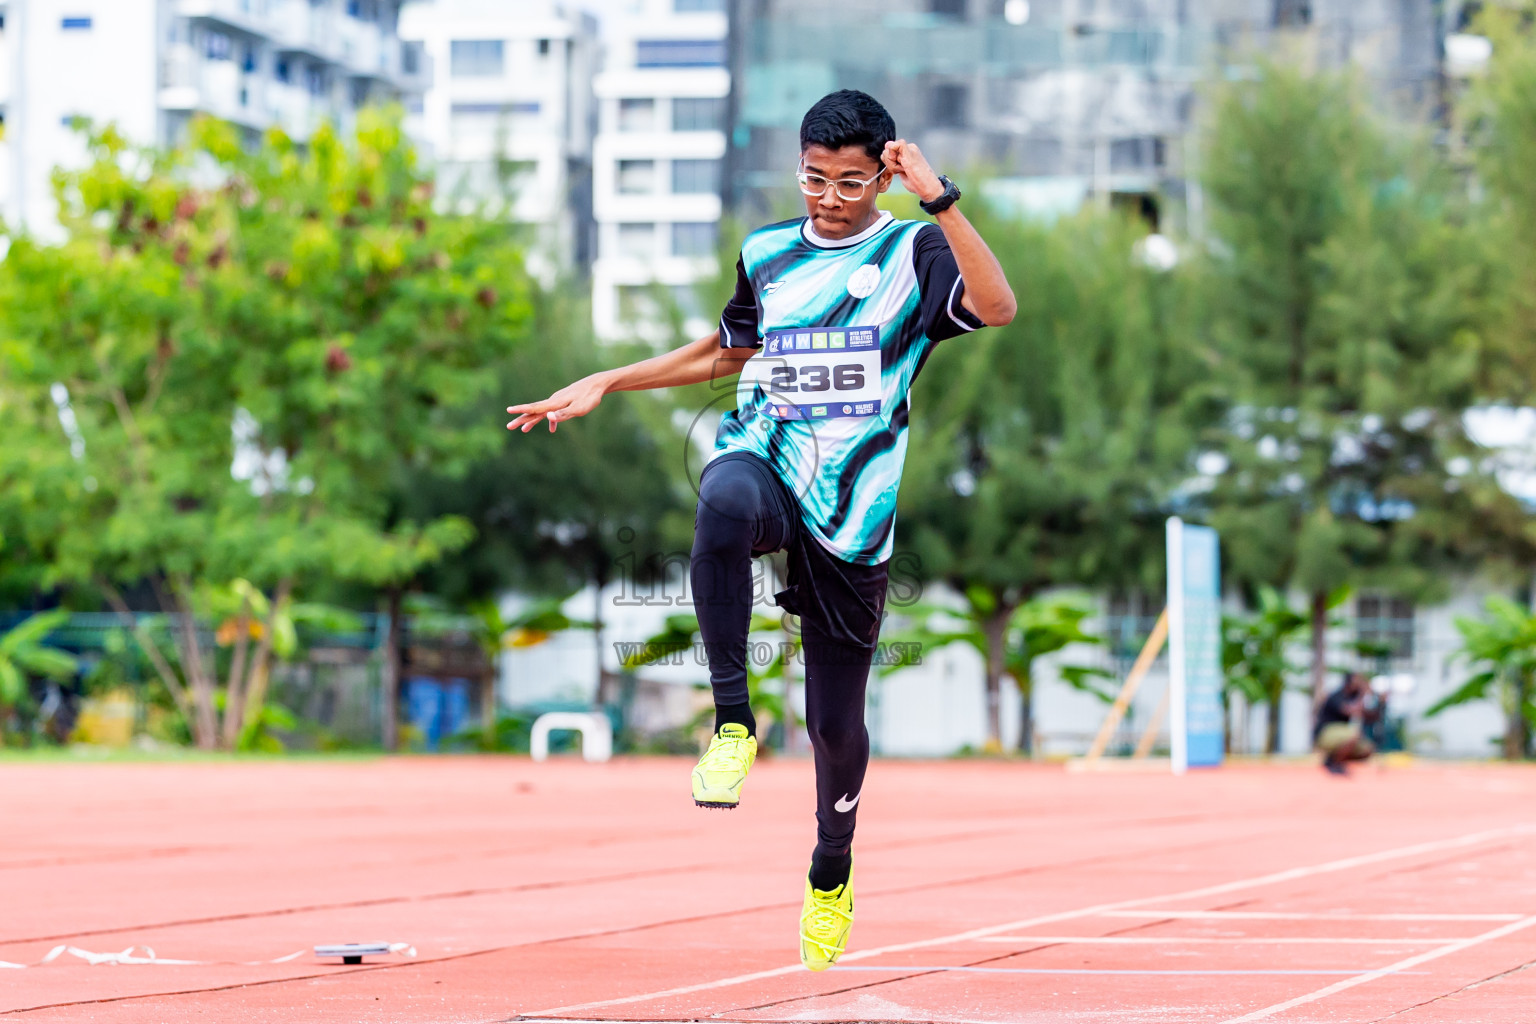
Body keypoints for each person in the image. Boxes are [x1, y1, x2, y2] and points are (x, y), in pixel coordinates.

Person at [505, 90, 1016, 970]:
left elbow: (997, 305)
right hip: (770, 460)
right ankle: (732, 723)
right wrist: (606, 379)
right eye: (814, 179)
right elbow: (725, 356)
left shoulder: (914, 248)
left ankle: (830, 865)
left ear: (883, 174)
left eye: (850, 184)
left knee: (834, 726)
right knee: (724, 495)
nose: (828, 198)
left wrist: (941, 199)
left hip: (854, 508)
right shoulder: (768, 252)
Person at [1314, 671, 1386, 775]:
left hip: (1342, 733)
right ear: (1349, 682)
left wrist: (1380, 702)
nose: (1359, 684)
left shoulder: (1354, 696)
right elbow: (1351, 710)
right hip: (1325, 732)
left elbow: (1370, 716)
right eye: (1357, 681)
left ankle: (1331, 760)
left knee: (1367, 750)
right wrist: (1363, 693)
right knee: (1354, 734)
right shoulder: (1337, 696)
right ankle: (1335, 764)